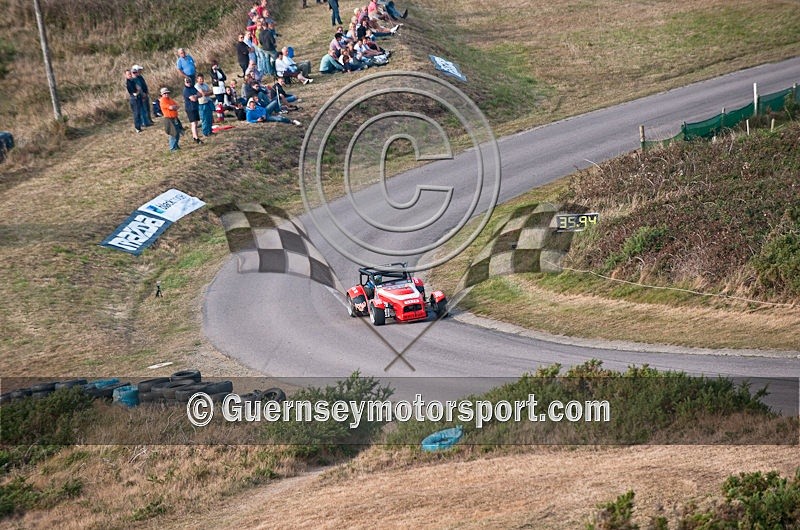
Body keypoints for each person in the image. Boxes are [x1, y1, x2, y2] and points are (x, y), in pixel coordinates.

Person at [182, 77, 203, 144]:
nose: (188, 83)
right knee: (193, 124)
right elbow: (193, 99)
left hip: (195, 107)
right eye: (187, 82)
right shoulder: (186, 90)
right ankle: (196, 138)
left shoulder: (193, 88)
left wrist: (195, 96)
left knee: (196, 123)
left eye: (189, 82)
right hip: (190, 108)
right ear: (185, 82)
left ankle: (195, 136)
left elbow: (200, 94)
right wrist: (196, 96)